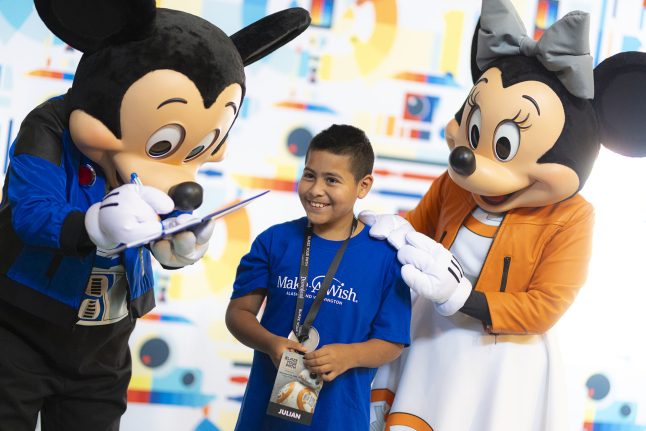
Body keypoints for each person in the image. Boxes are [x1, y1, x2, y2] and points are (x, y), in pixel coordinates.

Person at [0, 1, 310, 430]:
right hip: (22, 328)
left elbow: (150, 224)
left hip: (104, 342)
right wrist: (92, 225)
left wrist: (176, 243)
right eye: (163, 145)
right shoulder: (51, 124)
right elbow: (29, 211)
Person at [365, 0, 646, 430]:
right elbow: (417, 233)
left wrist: (462, 298)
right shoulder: (453, 185)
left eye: (503, 147)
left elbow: (546, 304)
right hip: (428, 341)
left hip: (500, 358)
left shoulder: (572, 216)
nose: (472, 165)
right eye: (475, 134)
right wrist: (389, 235)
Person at [226, 124, 411, 430]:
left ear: (363, 186)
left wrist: (348, 356)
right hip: (263, 419)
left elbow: (392, 343)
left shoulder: (387, 259)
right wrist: (272, 343)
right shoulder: (274, 241)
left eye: (332, 180)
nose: (315, 190)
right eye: (309, 174)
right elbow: (238, 314)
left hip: (339, 419)